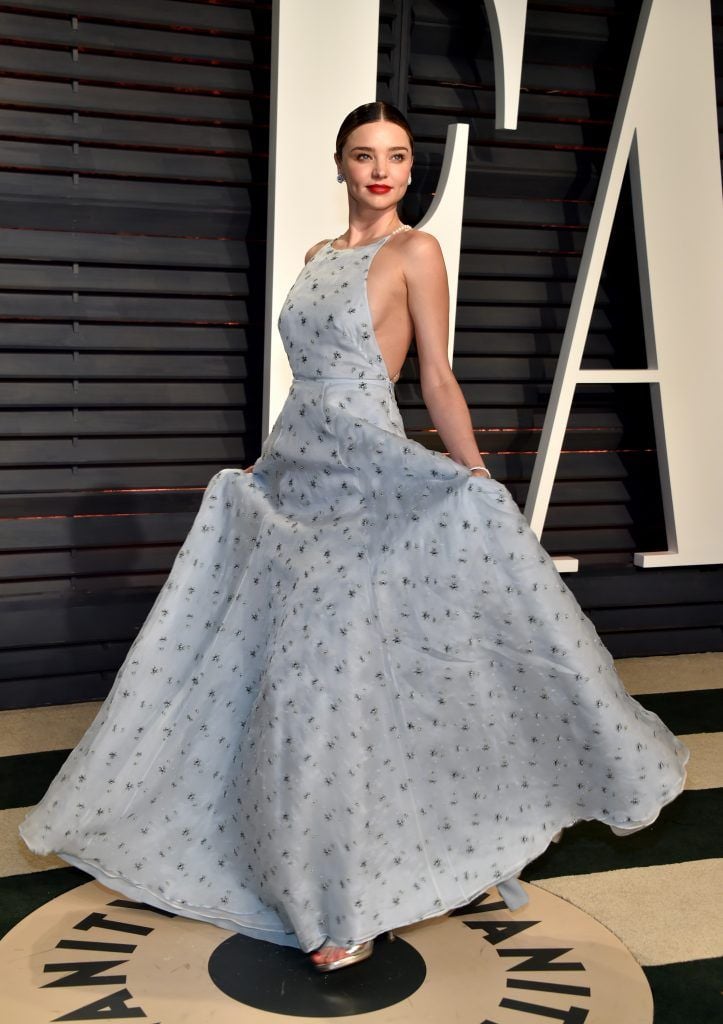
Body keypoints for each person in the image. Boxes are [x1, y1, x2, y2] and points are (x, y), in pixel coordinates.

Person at [19, 102, 689, 976]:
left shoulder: (416, 252)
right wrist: (264, 469)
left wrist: (475, 476)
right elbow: (306, 389)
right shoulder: (312, 259)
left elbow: (436, 376)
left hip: (372, 479)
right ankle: (289, 861)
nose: (381, 170)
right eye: (365, 155)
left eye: (397, 157)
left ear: (411, 172)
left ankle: (344, 897)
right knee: (279, 682)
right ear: (339, 164)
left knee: (333, 685)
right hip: (295, 481)